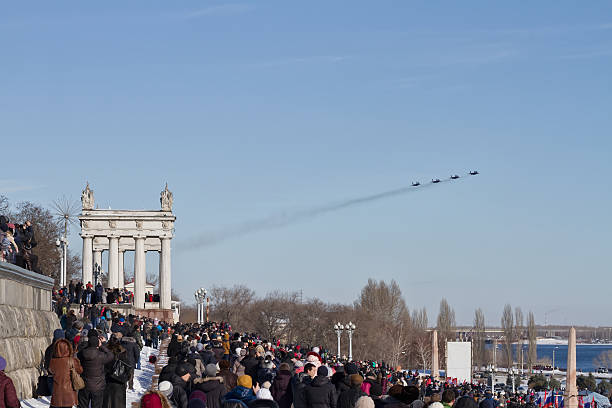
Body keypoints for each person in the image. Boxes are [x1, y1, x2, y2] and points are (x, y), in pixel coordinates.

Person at [77, 331, 114, 408]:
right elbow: (110, 355)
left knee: (82, 405)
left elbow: (79, 353)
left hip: (85, 384)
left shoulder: (83, 353)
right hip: (98, 386)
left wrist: (88, 344)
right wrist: (102, 346)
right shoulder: (101, 356)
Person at [48, 338, 83, 408]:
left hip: (57, 391)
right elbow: (80, 370)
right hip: (69, 392)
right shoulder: (72, 360)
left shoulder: (52, 361)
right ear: (68, 348)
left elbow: (50, 371)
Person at [104, 335, 131, 408]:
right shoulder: (123, 353)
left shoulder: (105, 353)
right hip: (120, 383)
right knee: (118, 403)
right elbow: (128, 369)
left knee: (107, 403)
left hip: (107, 382)